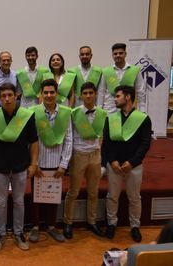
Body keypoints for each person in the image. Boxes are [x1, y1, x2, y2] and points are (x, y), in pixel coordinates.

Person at [0, 82, 39, 251]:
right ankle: (0, 233)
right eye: (3, 96)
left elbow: (34, 142)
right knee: (0, 202)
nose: (7, 99)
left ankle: (19, 232)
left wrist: (33, 164)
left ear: (16, 96)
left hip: (21, 166)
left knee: (19, 201)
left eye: (10, 95)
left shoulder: (26, 116)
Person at [102, 85, 152, 242]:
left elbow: (145, 143)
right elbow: (107, 143)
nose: (115, 99)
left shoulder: (143, 119)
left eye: (117, 96)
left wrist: (133, 162)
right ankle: (111, 223)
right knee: (112, 196)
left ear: (128, 97)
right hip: (115, 165)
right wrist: (113, 161)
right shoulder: (111, 118)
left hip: (134, 165)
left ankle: (135, 226)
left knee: (135, 197)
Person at [28, 79, 72, 243]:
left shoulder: (66, 113)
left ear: (56, 93)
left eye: (51, 92)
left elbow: (69, 140)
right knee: (36, 197)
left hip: (56, 163)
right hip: (38, 162)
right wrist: (34, 163)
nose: (48, 95)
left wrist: (63, 164)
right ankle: (35, 227)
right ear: (41, 94)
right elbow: (30, 141)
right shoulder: (33, 112)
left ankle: (52, 226)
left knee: (53, 197)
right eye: (45, 92)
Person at [63, 82, 107, 239]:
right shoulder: (74, 113)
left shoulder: (102, 113)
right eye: (85, 93)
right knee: (73, 192)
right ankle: (68, 223)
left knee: (93, 192)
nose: (88, 96)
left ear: (95, 94)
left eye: (91, 93)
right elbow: (69, 135)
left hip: (95, 155)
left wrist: (98, 151)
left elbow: (101, 135)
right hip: (79, 155)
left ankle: (92, 221)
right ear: (81, 95)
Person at [97, 43, 146, 114]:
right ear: (112, 55)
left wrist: (142, 110)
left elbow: (141, 92)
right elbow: (101, 92)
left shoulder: (135, 70)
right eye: (115, 53)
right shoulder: (106, 71)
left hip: (128, 110)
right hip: (109, 110)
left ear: (125, 54)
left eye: (120, 53)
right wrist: (99, 109)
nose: (118, 55)